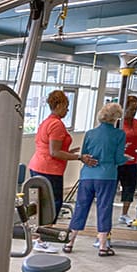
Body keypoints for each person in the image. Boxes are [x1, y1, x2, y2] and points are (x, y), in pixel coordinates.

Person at [27, 90, 96, 253]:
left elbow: (53, 148)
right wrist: (79, 157)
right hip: (49, 170)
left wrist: (71, 152)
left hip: (38, 166)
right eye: (66, 107)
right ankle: (42, 239)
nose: (67, 110)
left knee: (39, 205)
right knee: (51, 205)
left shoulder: (46, 122)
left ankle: (37, 238)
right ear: (59, 105)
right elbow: (54, 152)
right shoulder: (57, 124)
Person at [62, 103, 131, 257]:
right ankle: (102, 246)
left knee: (81, 206)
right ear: (116, 117)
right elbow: (118, 159)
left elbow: (85, 155)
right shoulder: (119, 135)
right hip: (107, 176)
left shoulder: (90, 133)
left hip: (87, 175)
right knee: (104, 207)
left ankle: (69, 242)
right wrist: (127, 158)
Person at [117, 96, 137, 224]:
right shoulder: (118, 123)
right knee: (111, 187)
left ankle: (124, 213)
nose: (133, 112)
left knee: (129, 188)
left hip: (132, 161)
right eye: (131, 109)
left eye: (135, 109)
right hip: (118, 161)